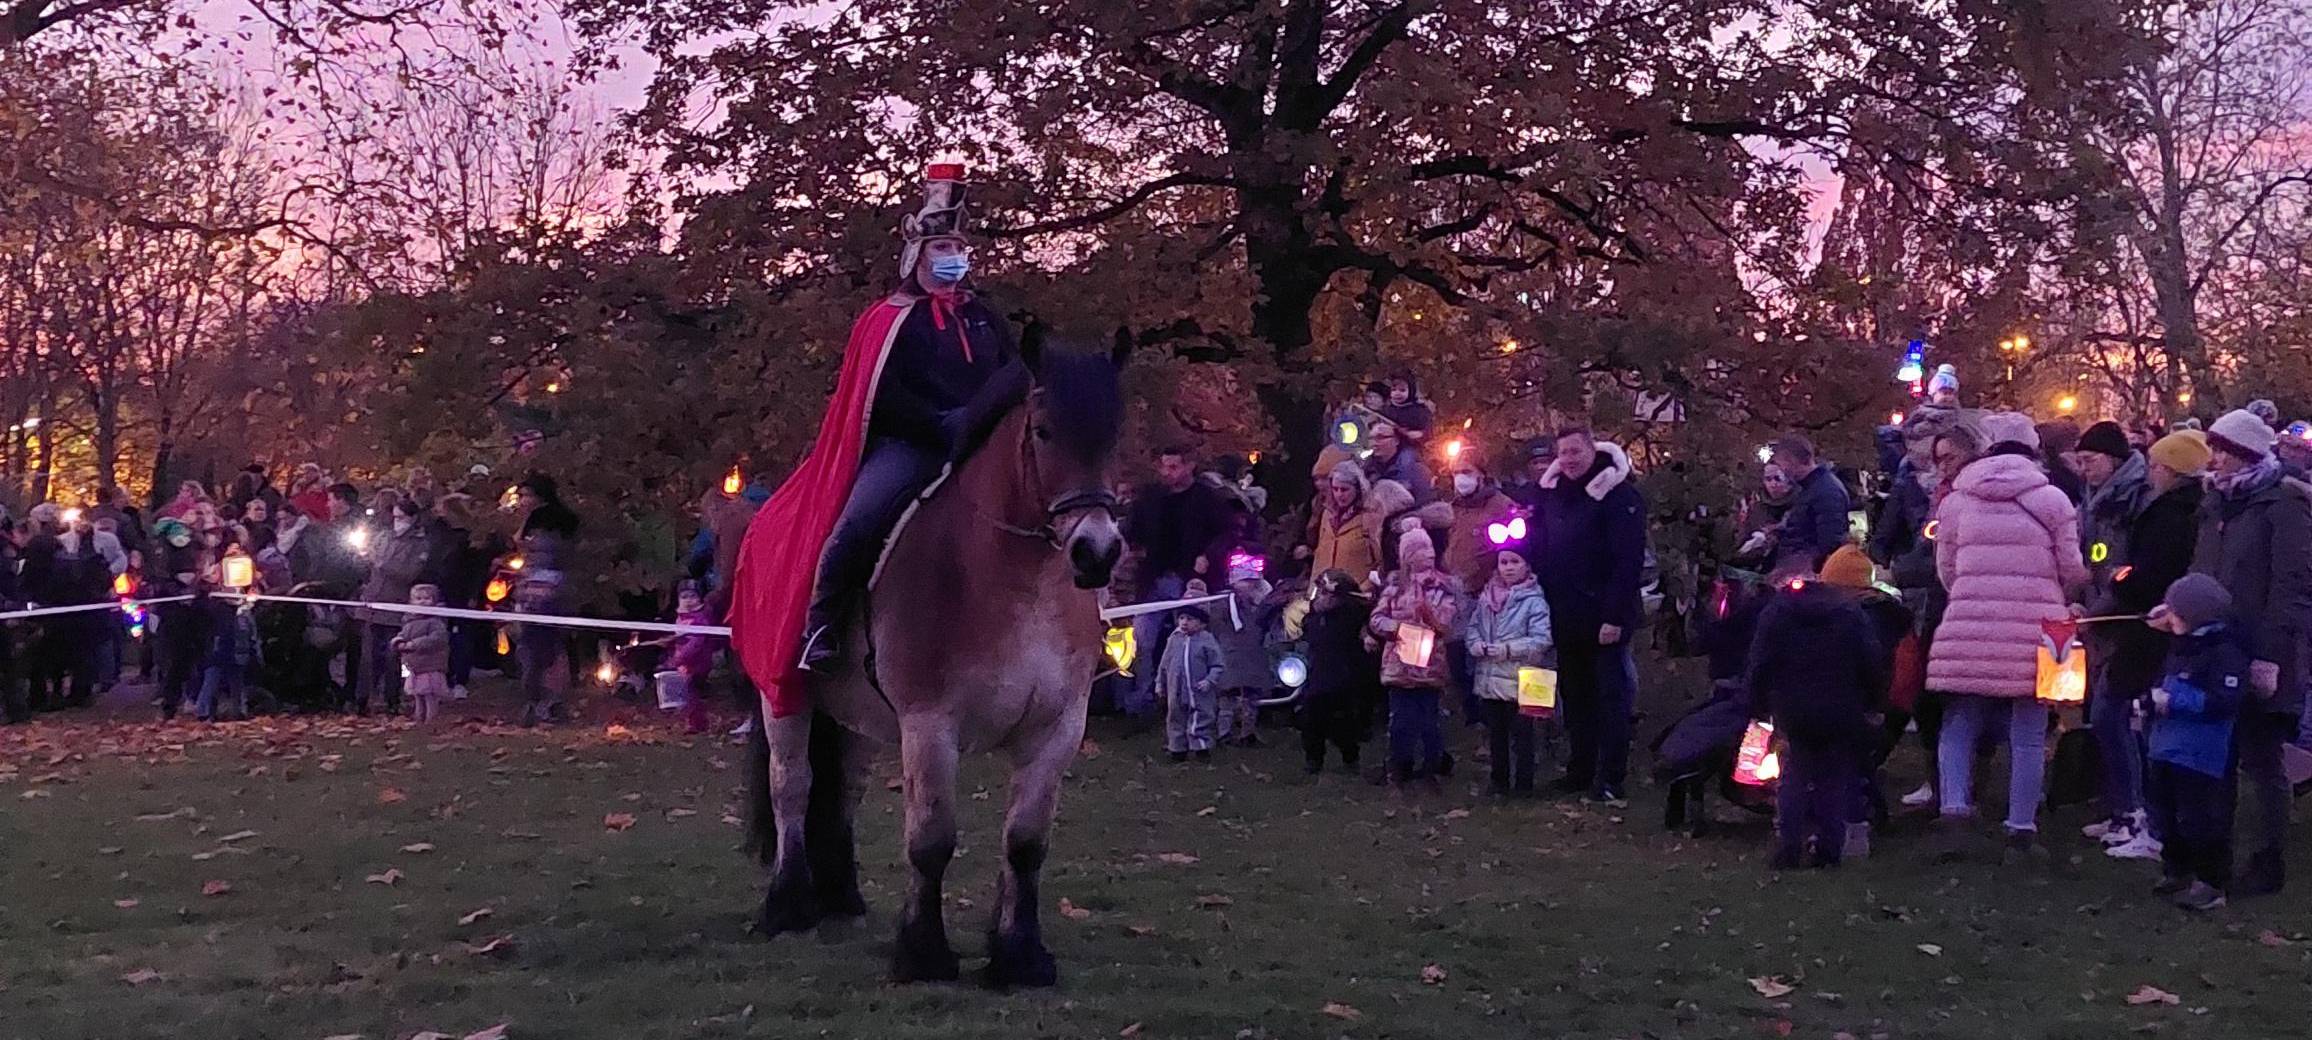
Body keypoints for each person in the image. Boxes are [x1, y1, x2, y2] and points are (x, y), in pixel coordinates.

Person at [767, 165, 1024, 675]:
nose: (954, 258)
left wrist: (992, 417)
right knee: (858, 523)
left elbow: (1013, 372)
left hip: (983, 442)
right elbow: (882, 398)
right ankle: (821, 625)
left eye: (958, 248)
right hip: (914, 444)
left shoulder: (984, 314)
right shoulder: (888, 320)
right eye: (942, 249)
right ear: (918, 256)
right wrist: (942, 423)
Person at [1928, 416, 2087, 860]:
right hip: (2041, 628)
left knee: (1959, 719)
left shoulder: (1958, 501)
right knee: (2030, 730)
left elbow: (1947, 569)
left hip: (1969, 619)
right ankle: (2021, 823)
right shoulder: (2053, 499)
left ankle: (1955, 807)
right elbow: (2072, 569)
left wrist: (1972, 589)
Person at [2193, 408, 2312, 897]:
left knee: (2262, 759)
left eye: (2221, 450)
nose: (2213, 459)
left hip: (2264, 650)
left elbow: (2291, 586)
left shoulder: (2281, 506)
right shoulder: (2217, 505)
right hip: (2215, 648)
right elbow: (2203, 571)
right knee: (2215, 757)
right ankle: (2211, 862)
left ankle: (2266, 860)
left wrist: (2271, 654)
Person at [1529, 426, 1647, 804]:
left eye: (1575, 451)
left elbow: (1627, 562)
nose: (1569, 460)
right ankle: (1580, 769)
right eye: (1562, 453)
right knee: (1575, 694)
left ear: (1592, 451)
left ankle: (1611, 777)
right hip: (1564, 610)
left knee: (1610, 698)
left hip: (1603, 614)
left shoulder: (1620, 496)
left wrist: (1614, 616)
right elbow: (1541, 545)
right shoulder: (1552, 496)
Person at [1745, 555, 1887, 869]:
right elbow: (1870, 660)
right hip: (1841, 706)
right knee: (1833, 778)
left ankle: (1789, 845)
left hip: (1793, 708)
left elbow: (1760, 662)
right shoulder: (1849, 613)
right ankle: (1829, 848)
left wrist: (1756, 705)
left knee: (1794, 773)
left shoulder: (1778, 613)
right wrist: (1874, 703)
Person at [2064, 421, 2156, 854]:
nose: (2084, 470)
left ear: (2114, 459)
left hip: (2128, 618)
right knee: (2107, 717)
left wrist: (2100, 605)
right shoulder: (2096, 500)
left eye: (2091, 461)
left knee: (2114, 715)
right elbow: (2094, 555)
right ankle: (2120, 808)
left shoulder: (2136, 497)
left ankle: (2136, 811)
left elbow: (2122, 565)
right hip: (2102, 614)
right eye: (2079, 462)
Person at [2144, 574, 2252, 911]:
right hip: (2166, 746)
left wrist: (2172, 702)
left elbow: (2223, 700)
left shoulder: (2223, 652)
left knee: (2201, 819)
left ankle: (2211, 881)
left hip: (2200, 754)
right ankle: (2176, 868)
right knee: (2163, 812)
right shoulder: (2182, 647)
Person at [1123, 445, 1240, 717]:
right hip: (1154, 579)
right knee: (1141, 639)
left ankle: (1191, 699)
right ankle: (1143, 698)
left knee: (1192, 641)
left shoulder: (1207, 499)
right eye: (1163, 466)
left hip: (1191, 581)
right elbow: (1132, 529)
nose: (1167, 472)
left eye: (1173, 467)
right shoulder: (1151, 498)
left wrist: (1208, 555)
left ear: (1189, 466)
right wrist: (1131, 548)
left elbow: (1227, 533)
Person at [1367, 527, 1462, 789]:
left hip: (1430, 664)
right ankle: (1398, 766)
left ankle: (1432, 767)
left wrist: (1429, 616)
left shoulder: (1442, 586)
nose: (1428, 555)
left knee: (1428, 720)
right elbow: (1377, 619)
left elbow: (1445, 624)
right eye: (1420, 550)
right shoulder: (1396, 586)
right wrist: (1396, 629)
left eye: (1430, 549)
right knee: (1400, 719)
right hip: (1399, 664)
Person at [1464, 548, 1553, 796]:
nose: (1509, 567)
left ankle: (1525, 784)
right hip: (1491, 678)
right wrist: (1476, 645)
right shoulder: (1486, 598)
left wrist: (1507, 649)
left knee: (1523, 735)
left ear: (1527, 566)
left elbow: (1541, 640)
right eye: (1504, 562)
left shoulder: (1535, 600)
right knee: (1496, 734)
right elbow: (1473, 628)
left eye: (1515, 561)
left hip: (1525, 678)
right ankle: (1499, 781)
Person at [354, 497, 438, 716]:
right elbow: (368, 565)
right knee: (368, 657)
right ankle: (362, 700)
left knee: (394, 657)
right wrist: (363, 558)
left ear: (412, 518)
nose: (396, 522)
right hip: (372, 604)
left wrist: (380, 563)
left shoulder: (419, 544)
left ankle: (393, 699)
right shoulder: (383, 537)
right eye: (394, 517)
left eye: (401, 518)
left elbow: (408, 573)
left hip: (395, 606)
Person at [1289, 569, 1375, 774]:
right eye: (1320, 592)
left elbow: (1364, 616)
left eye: (1328, 594)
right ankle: (1313, 760)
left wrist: (1365, 635)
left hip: (1342, 678)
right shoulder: (1313, 617)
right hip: (1316, 676)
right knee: (1311, 721)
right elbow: (1307, 631)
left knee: (1343, 722)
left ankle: (1350, 758)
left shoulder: (1351, 615)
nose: (1322, 598)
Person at [1211, 562, 1274, 747]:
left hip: (1252, 654)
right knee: (1227, 697)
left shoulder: (1260, 604)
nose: (1251, 585)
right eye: (1246, 581)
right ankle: (1224, 733)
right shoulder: (1222, 603)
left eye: (1253, 582)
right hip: (1229, 654)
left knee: (1251, 697)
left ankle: (1248, 733)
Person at [1767, 433, 1851, 569]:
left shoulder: (1826, 491)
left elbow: (1830, 542)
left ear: (1791, 460)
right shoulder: (1811, 487)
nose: (1781, 470)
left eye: (1780, 463)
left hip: (1804, 575)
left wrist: (1800, 569)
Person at [1303, 461, 1384, 591]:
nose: (1339, 494)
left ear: (1357, 489)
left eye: (1344, 489)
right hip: (1324, 596)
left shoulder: (1370, 516)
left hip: (1357, 597)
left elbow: (1381, 562)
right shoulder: (1327, 515)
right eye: (1335, 489)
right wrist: (1312, 591)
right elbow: (1319, 557)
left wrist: (1363, 589)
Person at [1158, 606, 1224, 763]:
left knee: (1201, 715)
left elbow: (1217, 664)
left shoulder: (1206, 640)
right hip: (1176, 688)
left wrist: (1209, 680)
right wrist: (1160, 683)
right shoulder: (1174, 639)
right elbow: (1164, 663)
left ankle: (1200, 747)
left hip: (1199, 689)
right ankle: (1177, 748)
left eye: (1190, 619)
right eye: (1181, 618)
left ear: (1201, 624)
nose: (1184, 622)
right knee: (1175, 716)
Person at [661, 580, 726, 734]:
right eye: (684, 597)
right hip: (685, 662)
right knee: (689, 693)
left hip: (697, 663)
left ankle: (697, 723)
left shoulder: (700, 619)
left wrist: (680, 658)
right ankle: (693, 721)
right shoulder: (681, 617)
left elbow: (696, 643)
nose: (688, 600)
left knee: (692, 692)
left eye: (692, 596)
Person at [392, 584, 453, 725]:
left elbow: (437, 638)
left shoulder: (436, 621)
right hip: (412, 664)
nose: (422, 601)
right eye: (418, 598)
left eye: (427, 598)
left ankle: (431, 718)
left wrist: (415, 644)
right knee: (417, 693)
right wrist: (398, 642)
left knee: (429, 693)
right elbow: (402, 634)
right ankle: (418, 715)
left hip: (430, 663)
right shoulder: (408, 621)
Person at [1734, 463, 1796, 570]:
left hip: (1786, 562)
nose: (1773, 484)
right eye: (1768, 479)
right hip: (1753, 562)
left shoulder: (1800, 503)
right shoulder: (1756, 504)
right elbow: (1745, 530)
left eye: (1778, 479)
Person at [1363, 420, 1433, 502]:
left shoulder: (1415, 470)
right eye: (1371, 438)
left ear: (1396, 440)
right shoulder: (1365, 469)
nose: (1374, 443)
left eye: (1380, 438)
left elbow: (1424, 503)